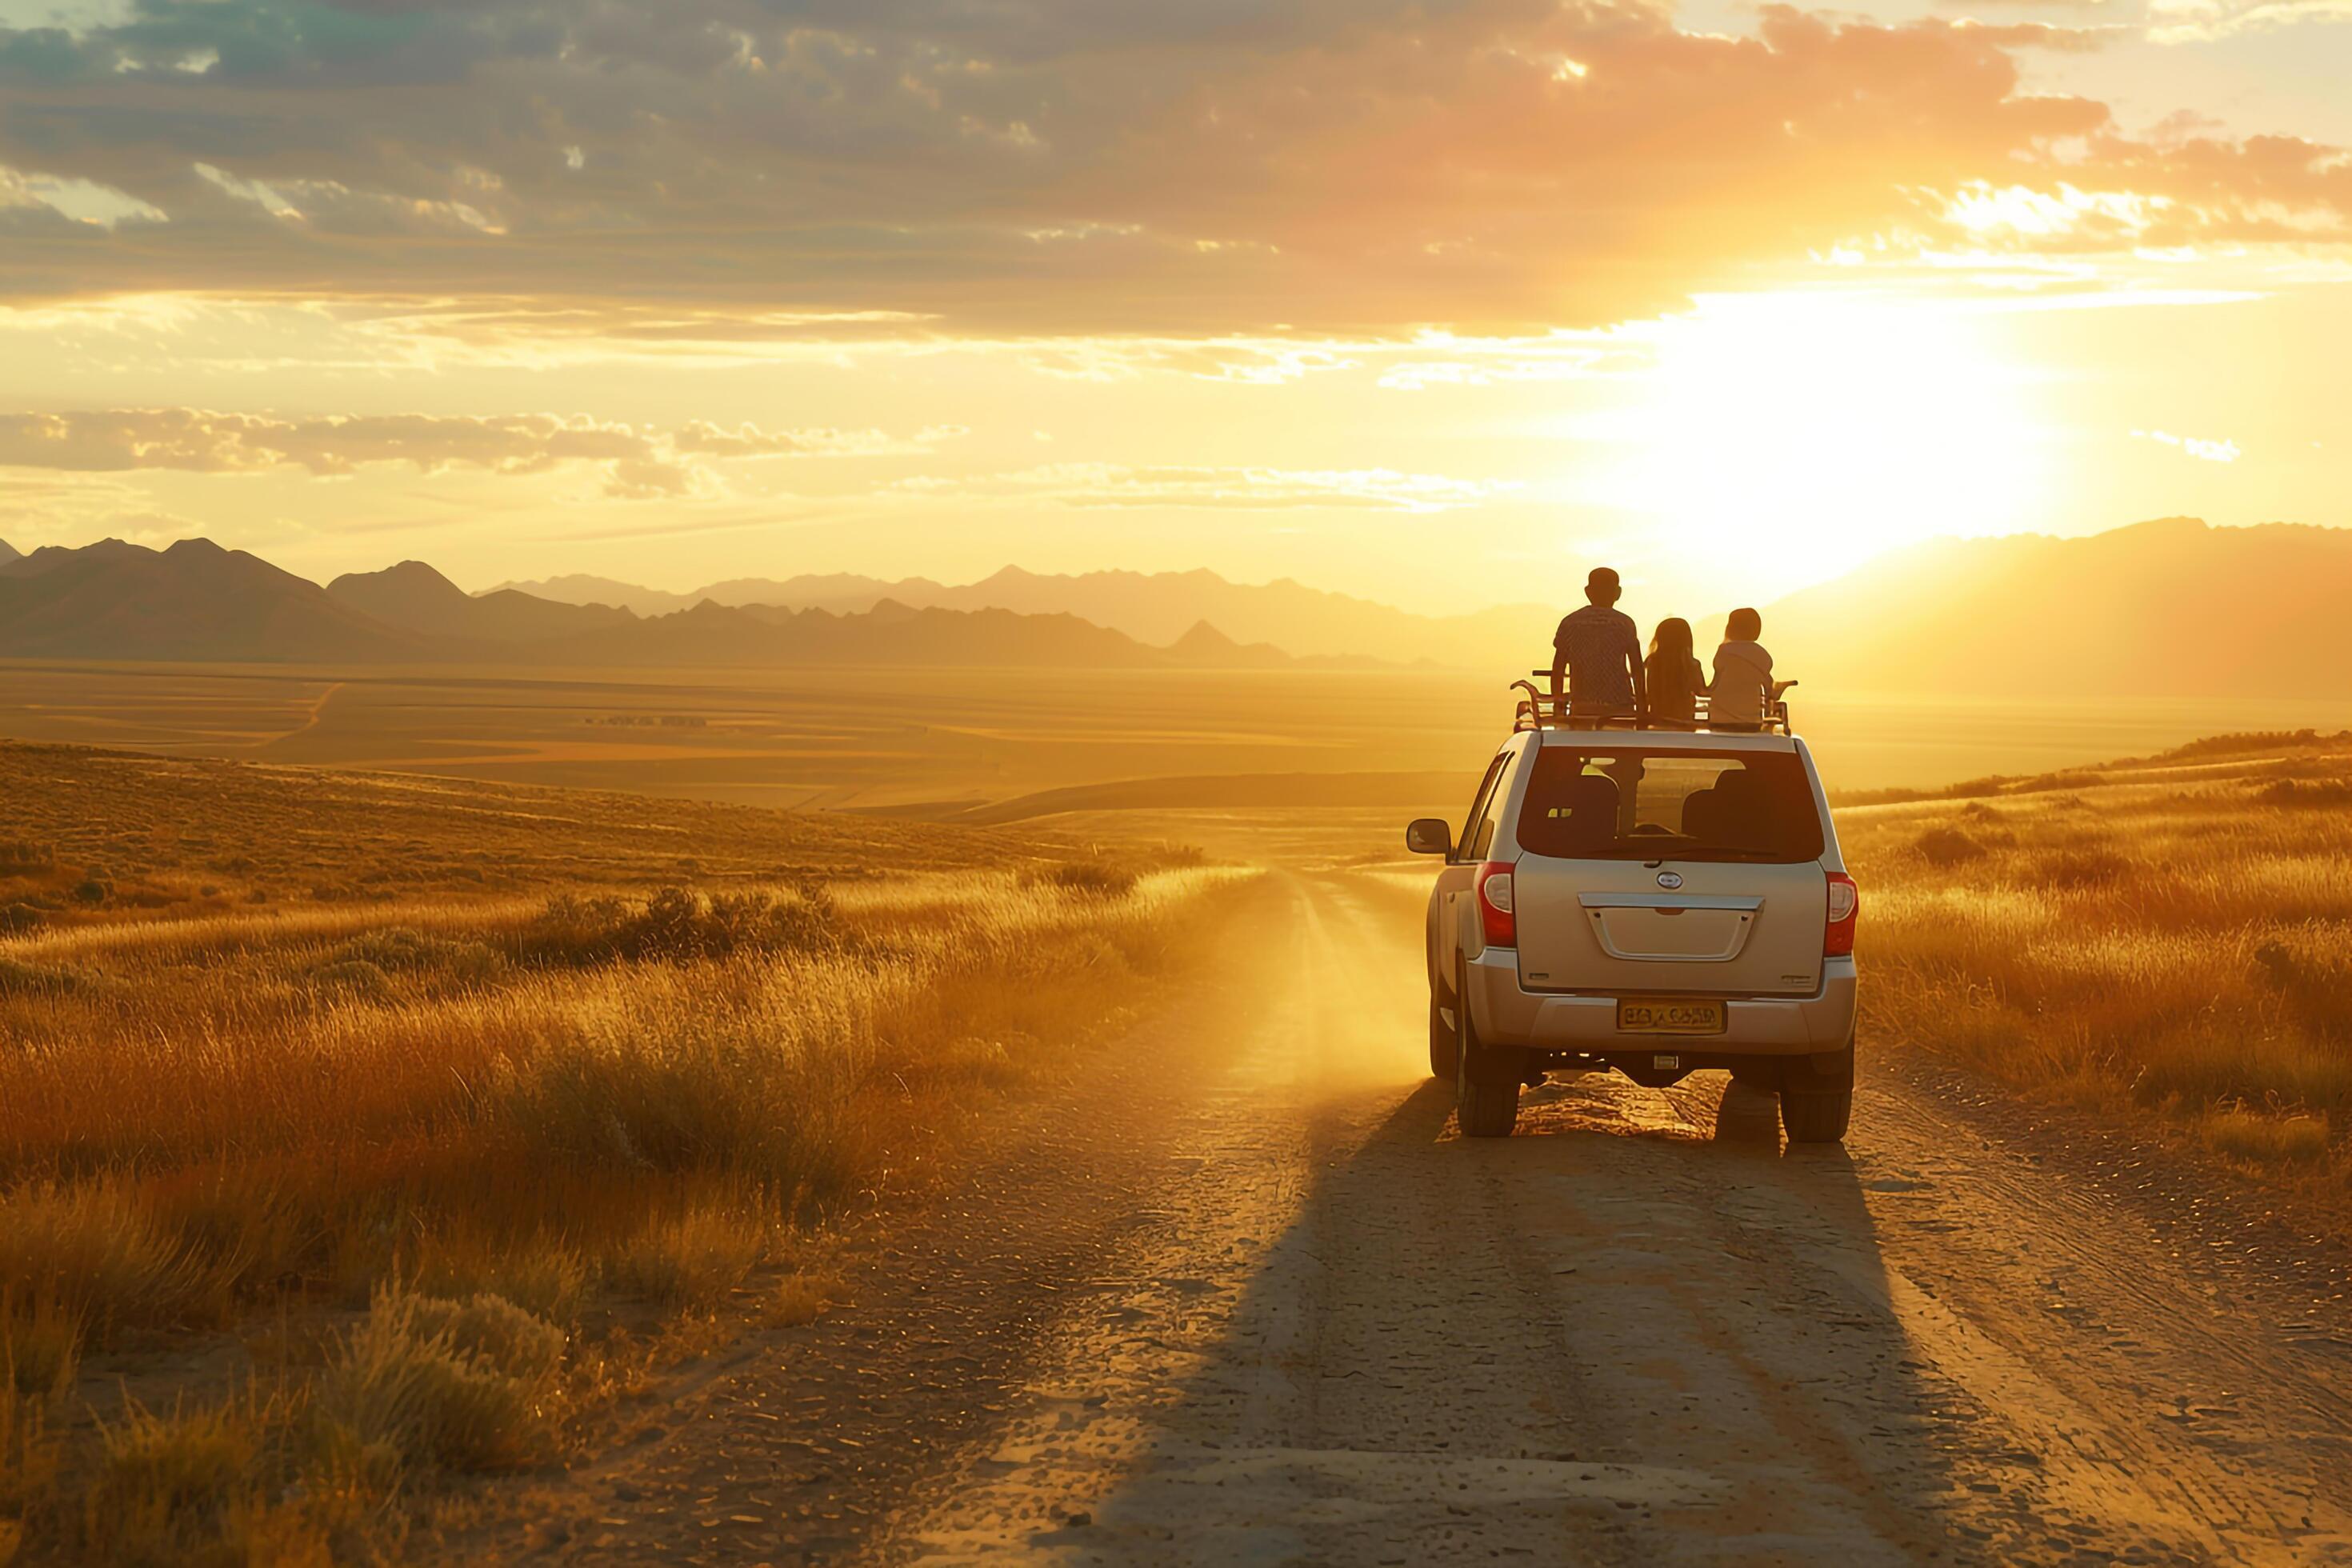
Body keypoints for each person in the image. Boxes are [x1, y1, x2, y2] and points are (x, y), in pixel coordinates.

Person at [1550, 567, 1646, 727]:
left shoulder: (1570, 623)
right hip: (1620, 706)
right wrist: (1643, 705)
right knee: (1622, 748)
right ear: (1618, 593)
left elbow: (1558, 668)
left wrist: (1558, 702)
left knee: (1580, 748)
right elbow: (1637, 668)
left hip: (1582, 706)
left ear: (1587, 592)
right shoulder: (1625, 623)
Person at [1709, 607, 1791, 730]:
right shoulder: (1763, 655)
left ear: (1730, 628)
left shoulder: (1723, 651)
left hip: (1719, 720)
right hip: (1751, 722)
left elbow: (1714, 685)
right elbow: (1769, 691)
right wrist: (1776, 689)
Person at [1642, 617, 1707, 726]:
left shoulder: (1653, 662)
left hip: (1658, 719)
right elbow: (1701, 691)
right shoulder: (1692, 664)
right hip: (1685, 719)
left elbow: (1650, 690)